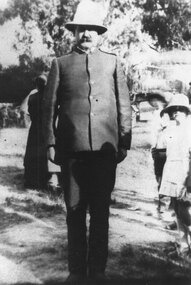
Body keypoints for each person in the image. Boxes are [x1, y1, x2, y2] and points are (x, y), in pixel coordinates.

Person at [42, 1, 132, 283]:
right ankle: (77, 271)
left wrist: (125, 141)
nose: (87, 34)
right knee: (75, 213)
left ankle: (98, 270)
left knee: (101, 213)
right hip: (72, 152)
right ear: (75, 31)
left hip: (105, 152)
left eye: (92, 30)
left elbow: (124, 105)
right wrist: (50, 143)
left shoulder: (112, 61)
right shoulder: (60, 64)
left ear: (100, 33)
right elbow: (49, 109)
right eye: (82, 29)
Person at [159, 93, 191, 260]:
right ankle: (183, 249)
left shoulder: (190, 128)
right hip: (173, 174)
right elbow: (162, 150)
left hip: (187, 176)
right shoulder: (171, 130)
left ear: (186, 111)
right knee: (178, 214)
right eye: (173, 109)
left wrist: (188, 182)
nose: (176, 112)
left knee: (188, 215)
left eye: (180, 109)